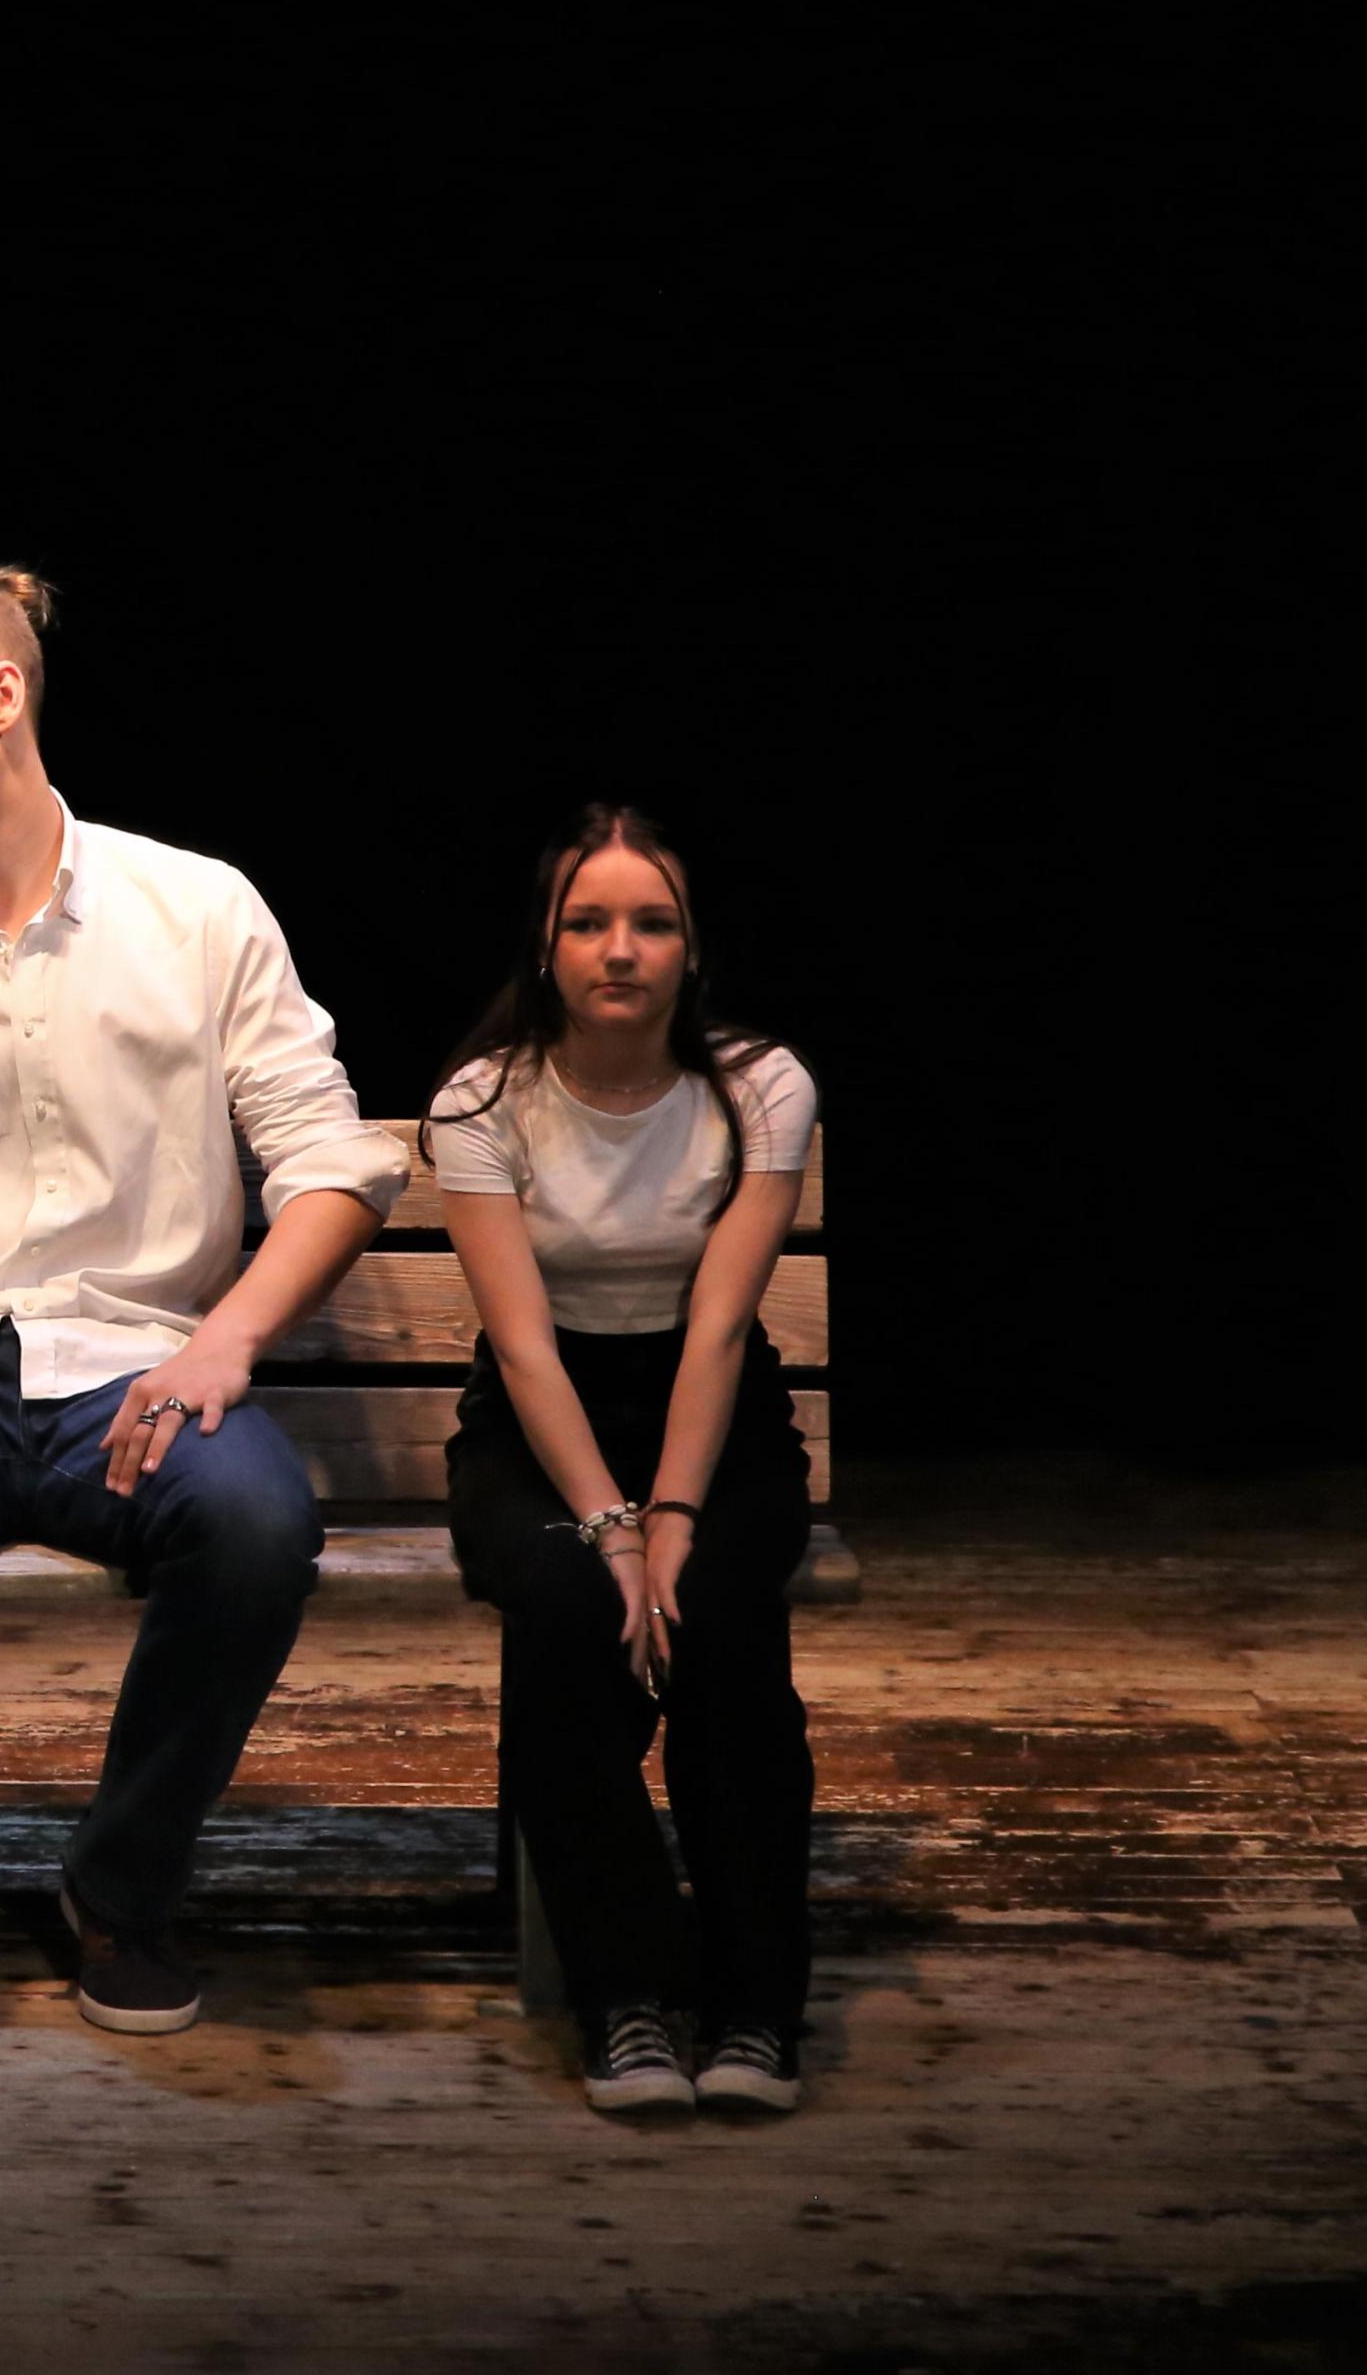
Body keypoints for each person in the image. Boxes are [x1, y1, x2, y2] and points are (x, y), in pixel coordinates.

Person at [0, 558, 410, 2085]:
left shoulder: (196, 910)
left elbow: (331, 1163)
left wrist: (227, 1339)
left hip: (140, 1375)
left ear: (3, 693)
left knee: (258, 1519)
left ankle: (121, 1888)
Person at [428, 804, 821, 2117]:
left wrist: (676, 1518)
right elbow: (523, 1347)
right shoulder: (483, 1101)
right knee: (565, 1619)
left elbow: (719, 1330)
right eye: (588, 922)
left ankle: (757, 2004)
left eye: (652, 923)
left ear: (692, 947)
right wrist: (610, 1528)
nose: (619, 949)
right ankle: (628, 1997)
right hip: (544, 1424)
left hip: (712, 1413)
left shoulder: (761, 1086)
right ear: (545, 946)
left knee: (718, 1621)